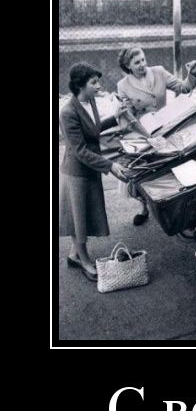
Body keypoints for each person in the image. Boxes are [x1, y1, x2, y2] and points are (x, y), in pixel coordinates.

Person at [59, 63, 129, 281]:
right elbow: (80, 150)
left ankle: (74, 255)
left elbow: (93, 130)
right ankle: (84, 260)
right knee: (78, 219)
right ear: (80, 85)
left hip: (91, 167)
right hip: (77, 172)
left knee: (83, 214)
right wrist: (111, 165)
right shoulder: (68, 112)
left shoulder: (90, 102)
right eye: (94, 83)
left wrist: (115, 117)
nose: (99, 86)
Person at [116, 46, 196, 225]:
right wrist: (125, 115)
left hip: (167, 126)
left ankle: (178, 203)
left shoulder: (159, 71)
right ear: (128, 66)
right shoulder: (123, 86)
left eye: (143, 60)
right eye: (137, 62)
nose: (142, 64)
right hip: (144, 130)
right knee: (144, 169)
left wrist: (192, 73)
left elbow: (183, 87)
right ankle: (144, 207)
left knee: (175, 164)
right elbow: (128, 116)